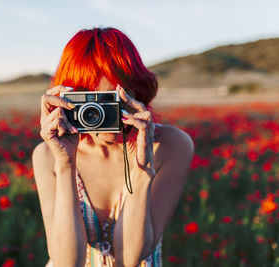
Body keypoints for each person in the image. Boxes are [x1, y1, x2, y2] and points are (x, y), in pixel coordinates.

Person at [32, 27, 194, 267]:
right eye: (89, 100)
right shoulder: (47, 155)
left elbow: (130, 259)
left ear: (136, 89)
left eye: (111, 99)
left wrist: (141, 170)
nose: (100, 113)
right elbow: (66, 263)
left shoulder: (170, 146)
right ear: (66, 99)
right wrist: (65, 163)